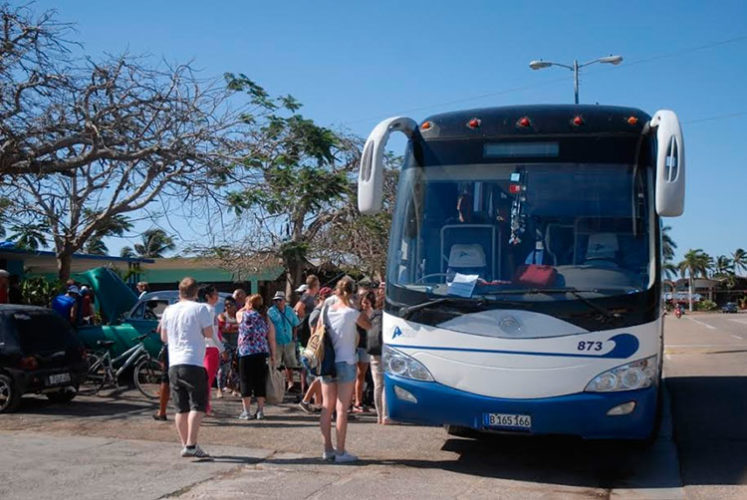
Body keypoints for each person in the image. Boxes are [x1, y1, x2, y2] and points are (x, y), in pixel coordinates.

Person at [159, 277, 214, 459]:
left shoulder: (169, 310)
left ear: (179, 292)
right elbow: (208, 333)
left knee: (181, 408)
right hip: (193, 362)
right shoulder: (200, 309)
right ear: (196, 292)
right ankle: (191, 444)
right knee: (197, 404)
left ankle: (187, 445)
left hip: (174, 362)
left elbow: (164, 338)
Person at [319, 276, 372, 463]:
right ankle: (341, 452)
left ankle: (328, 449)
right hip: (346, 361)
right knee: (342, 409)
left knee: (327, 407)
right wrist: (357, 306)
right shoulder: (351, 313)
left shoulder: (326, 309)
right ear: (352, 293)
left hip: (327, 361)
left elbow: (317, 329)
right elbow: (369, 325)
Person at [237, 294, 276, 420]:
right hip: (261, 352)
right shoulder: (265, 317)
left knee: (245, 381)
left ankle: (246, 411)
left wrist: (246, 306)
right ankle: (260, 411)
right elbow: (272, 338)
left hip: (246, 352)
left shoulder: (243, 315)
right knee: (260, 381)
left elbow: (238, 312)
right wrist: (273, 355)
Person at [298, 286, 333, 413]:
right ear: (322, 298)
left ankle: (316, 402)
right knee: (319, 376)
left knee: (320, 377)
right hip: (318, 349)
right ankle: (306, 400)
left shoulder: (321, 311)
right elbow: (315, 335)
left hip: (321, 349)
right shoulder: (317, 313)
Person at [198, 285, 226, 416]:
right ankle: (204, 407)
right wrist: (221, 348)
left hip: (201, 348)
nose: (217, 296)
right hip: (210, 348)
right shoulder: (209, 310)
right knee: (207, 380)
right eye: (215, 294)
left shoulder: (201, 309)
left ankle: (203, 405)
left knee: (203, 380)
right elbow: (212, 333)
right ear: (208, 296)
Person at [267, 291, 300, 392]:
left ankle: (290, 383)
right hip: (276, 342)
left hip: (288, 341)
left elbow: (295, 325)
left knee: (289, 364)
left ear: (284, 300)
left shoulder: (290, 310)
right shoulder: (271, 311)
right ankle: (275, 383)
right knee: (275, 364)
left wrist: (294, 337)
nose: (277, 302)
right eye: (276, 300)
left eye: (279, 300)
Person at [294, 275, 320, 394]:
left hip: (309, 330)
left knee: (308, 361)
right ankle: (306, 390)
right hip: (305, 331)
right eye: (318, 283)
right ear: (314, 284)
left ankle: (308, 390)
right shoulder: (307, 296)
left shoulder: (311, 297)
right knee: (306, 360)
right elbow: (298, 308)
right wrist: (305, 318)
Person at [364, 290, 387, 424]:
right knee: (385, 385)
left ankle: (379, 416)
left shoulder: (372, 316)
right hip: (386, 351)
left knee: (377, 385)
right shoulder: (388, 317)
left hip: (373, 352)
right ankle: (386, 416)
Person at [353, 281, 372, 412]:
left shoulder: (372, 313)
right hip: (355, 346)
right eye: (363, 301)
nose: (365, 304)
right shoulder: (355, 313)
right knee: (354, 375)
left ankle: (358, 400)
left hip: (365, 346)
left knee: (361, 375)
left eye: (367, 302)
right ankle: (355, 401)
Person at [217, 296, 240, 397]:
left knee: (236, 368)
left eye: (230, 305)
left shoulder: (238, 315)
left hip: (237, 344)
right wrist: (235, 327)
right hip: (225, 344)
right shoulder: (222, 316)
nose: (228, 307)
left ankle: (235, 388)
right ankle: (220, 389)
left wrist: (231, 327)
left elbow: (241, 326)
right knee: (224, 368)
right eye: (226, 305)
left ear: (235, 306)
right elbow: (223, 328)